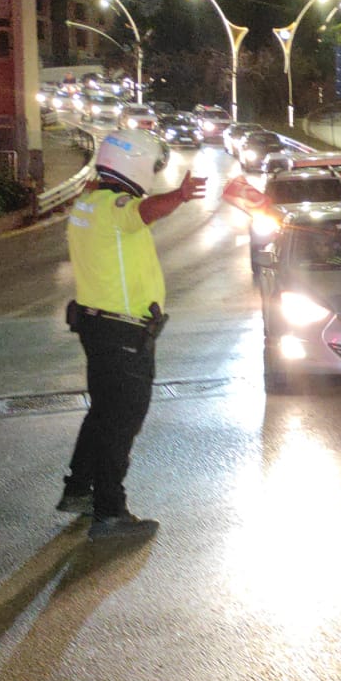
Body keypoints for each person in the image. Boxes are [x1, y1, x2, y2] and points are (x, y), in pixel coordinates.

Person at [59, 130, 206, 541]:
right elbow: (143, 211)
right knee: (121, 422)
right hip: (123, 333)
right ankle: (110, 511)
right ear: (133, 165)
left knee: (102, 414)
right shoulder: (115, 206)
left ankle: (78, 490)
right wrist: (178, 195)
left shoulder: (86, 203)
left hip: (98, 326)